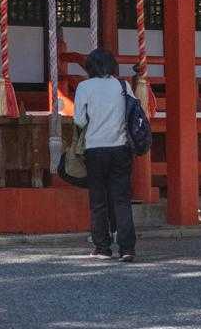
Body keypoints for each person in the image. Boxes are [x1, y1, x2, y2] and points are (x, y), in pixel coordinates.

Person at [73, 48, 136, 261]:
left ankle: (102, 247)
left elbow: (79, 120)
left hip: (95, 148)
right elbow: (133, 113)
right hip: (120, 147)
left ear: (89, 67)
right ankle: (127, 248)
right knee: (122, 200)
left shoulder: (84, 87)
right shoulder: (123, 86)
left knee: (98, 199)